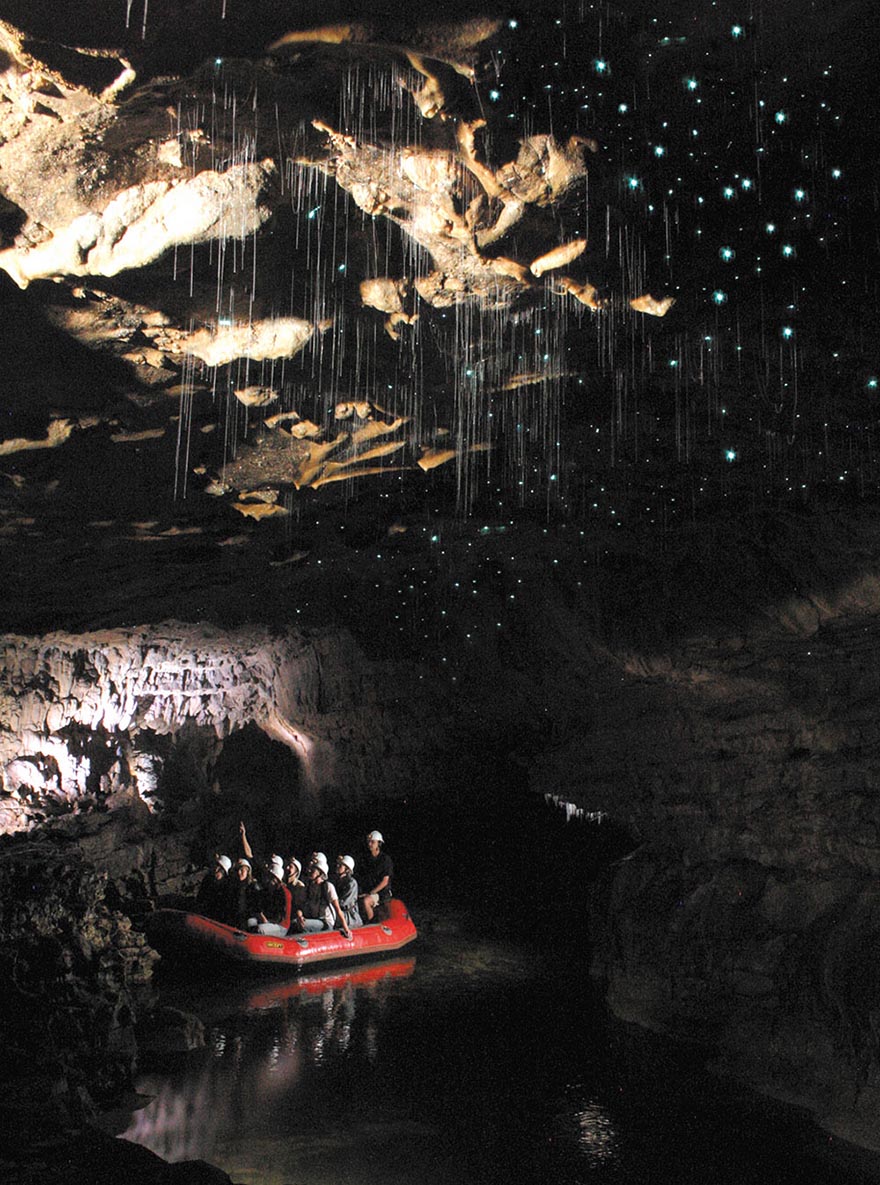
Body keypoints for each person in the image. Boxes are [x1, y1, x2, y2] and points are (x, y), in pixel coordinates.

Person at [294, 854, 352, 938]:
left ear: (320, 873)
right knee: (295, 923)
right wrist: (299, 916)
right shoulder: (308, 888)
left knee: (301, 925)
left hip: (325, 922)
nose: (310, 872)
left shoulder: (327, 886)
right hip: (314, 919)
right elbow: (300, 906)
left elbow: (337, 909)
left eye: (313, 870)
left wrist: (346, 928)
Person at [251, 855, 293, 936]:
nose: (267, 879)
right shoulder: (267, 889)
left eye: (270, 877)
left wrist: (265, 920)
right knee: (250, 922)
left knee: (260, 929)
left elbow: (280, 918)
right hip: (269, 921)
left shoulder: (284, 893)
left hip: (281, 926)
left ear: (276, 879)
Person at [358, 830, 393, 922]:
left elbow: (385, 881)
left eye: (372, 842)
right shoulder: (365, 859)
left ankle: (371, 924)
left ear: (379, 844)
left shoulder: (385, 860)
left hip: (381, 893)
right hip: (369, 891)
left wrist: (371, 892)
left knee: (366, 901)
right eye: (369, 842)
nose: (370, 844)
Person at [224, 857, 261, 930]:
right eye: (238, 870)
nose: (239, 872)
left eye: (242, 870)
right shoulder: (233, 885)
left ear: (248, 871)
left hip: (247, 918)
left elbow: (256, 906)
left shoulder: (253, 887)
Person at [195, 854, 231, 921]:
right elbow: (200, 897)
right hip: (204, 912)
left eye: (220, 869)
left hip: (217, 916)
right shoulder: (208, 879)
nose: (217, 869)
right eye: (217, 865)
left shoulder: (226, 886)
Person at [334, 855, 363, 930]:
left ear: (347, 869)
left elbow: (343, 902)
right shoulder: (336, 881)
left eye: (340, 865)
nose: (337, 866)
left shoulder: (351, 883)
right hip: (338, 912)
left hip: (349, 916)